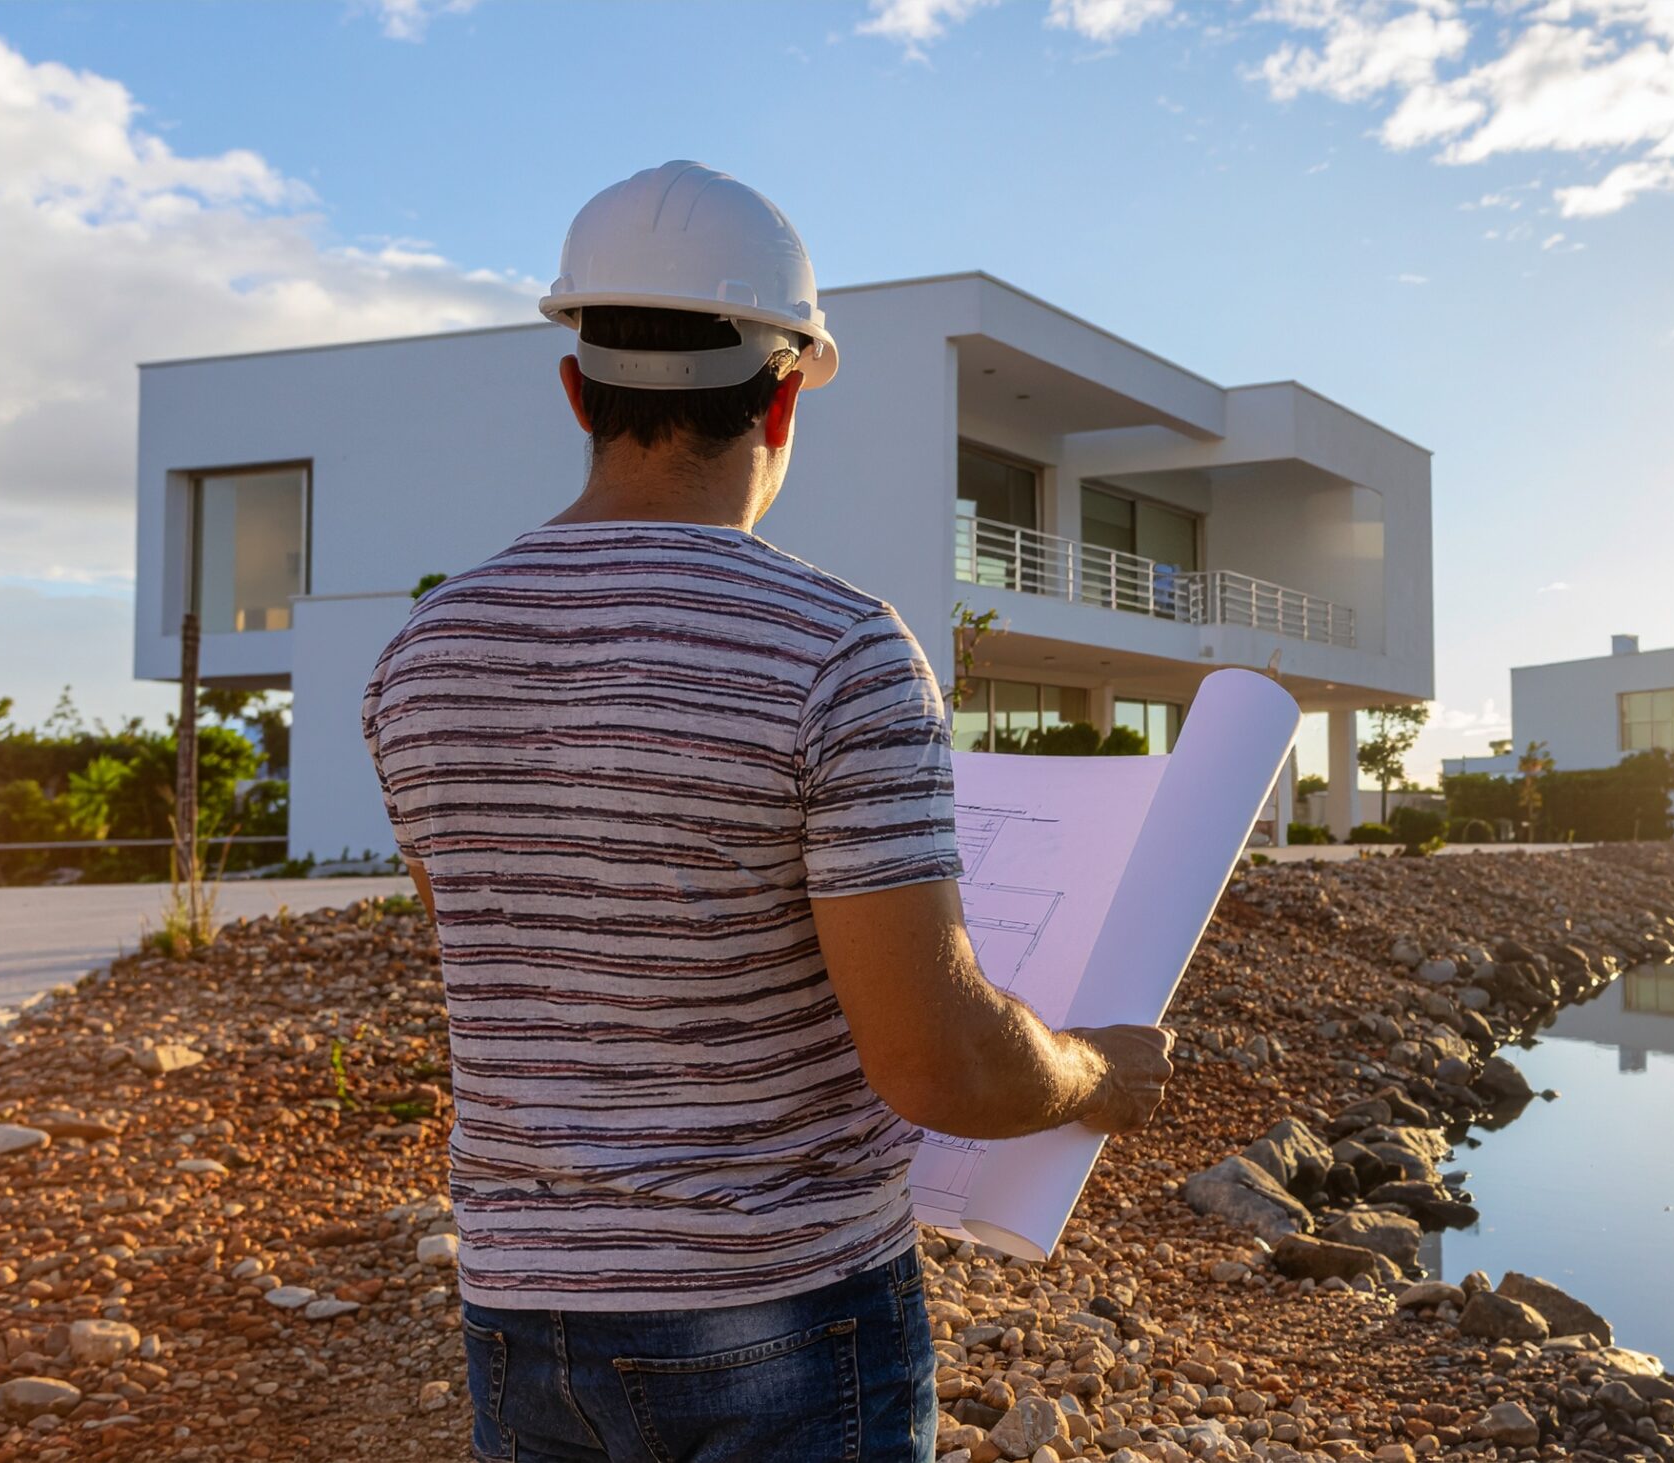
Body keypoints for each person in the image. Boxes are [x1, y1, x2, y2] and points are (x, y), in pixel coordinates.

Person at [361, 161, 1175, 1463]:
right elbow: (936, 1065)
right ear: (785, 395)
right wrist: (1092, 1072)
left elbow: (516, 974)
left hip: (522, 1316)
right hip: (784, 1315)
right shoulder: (839, 651)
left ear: (576, 386)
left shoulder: (423, 657)